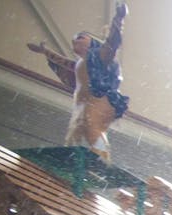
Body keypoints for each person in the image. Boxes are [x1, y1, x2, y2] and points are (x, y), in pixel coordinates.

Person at [31, 4, 130, 161]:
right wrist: (45, 51)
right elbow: (63, 62)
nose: (75, 40)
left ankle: (102, 159)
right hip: (85, 102)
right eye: (74, 40)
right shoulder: (80, 63)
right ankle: (78, 157)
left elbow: (113, 42)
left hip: (99, 99)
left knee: (92, 127)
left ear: (92, 42)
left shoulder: (100, 55)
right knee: (77, 129)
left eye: (81, 37)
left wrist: (119, 19)